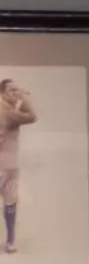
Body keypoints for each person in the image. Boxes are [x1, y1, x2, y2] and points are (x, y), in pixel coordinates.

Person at [0, 79, 38, 254]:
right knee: (10, 202)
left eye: (16, 90)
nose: (15, 93)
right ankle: (10, 241)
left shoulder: (8, 108)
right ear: (2, 93)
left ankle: (10, 241)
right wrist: (23, 97)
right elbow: (32, 116)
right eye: (12, 90)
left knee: (10, 202)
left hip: (9, 165)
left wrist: (17, 102)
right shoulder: (8, 112)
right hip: (6, 166)